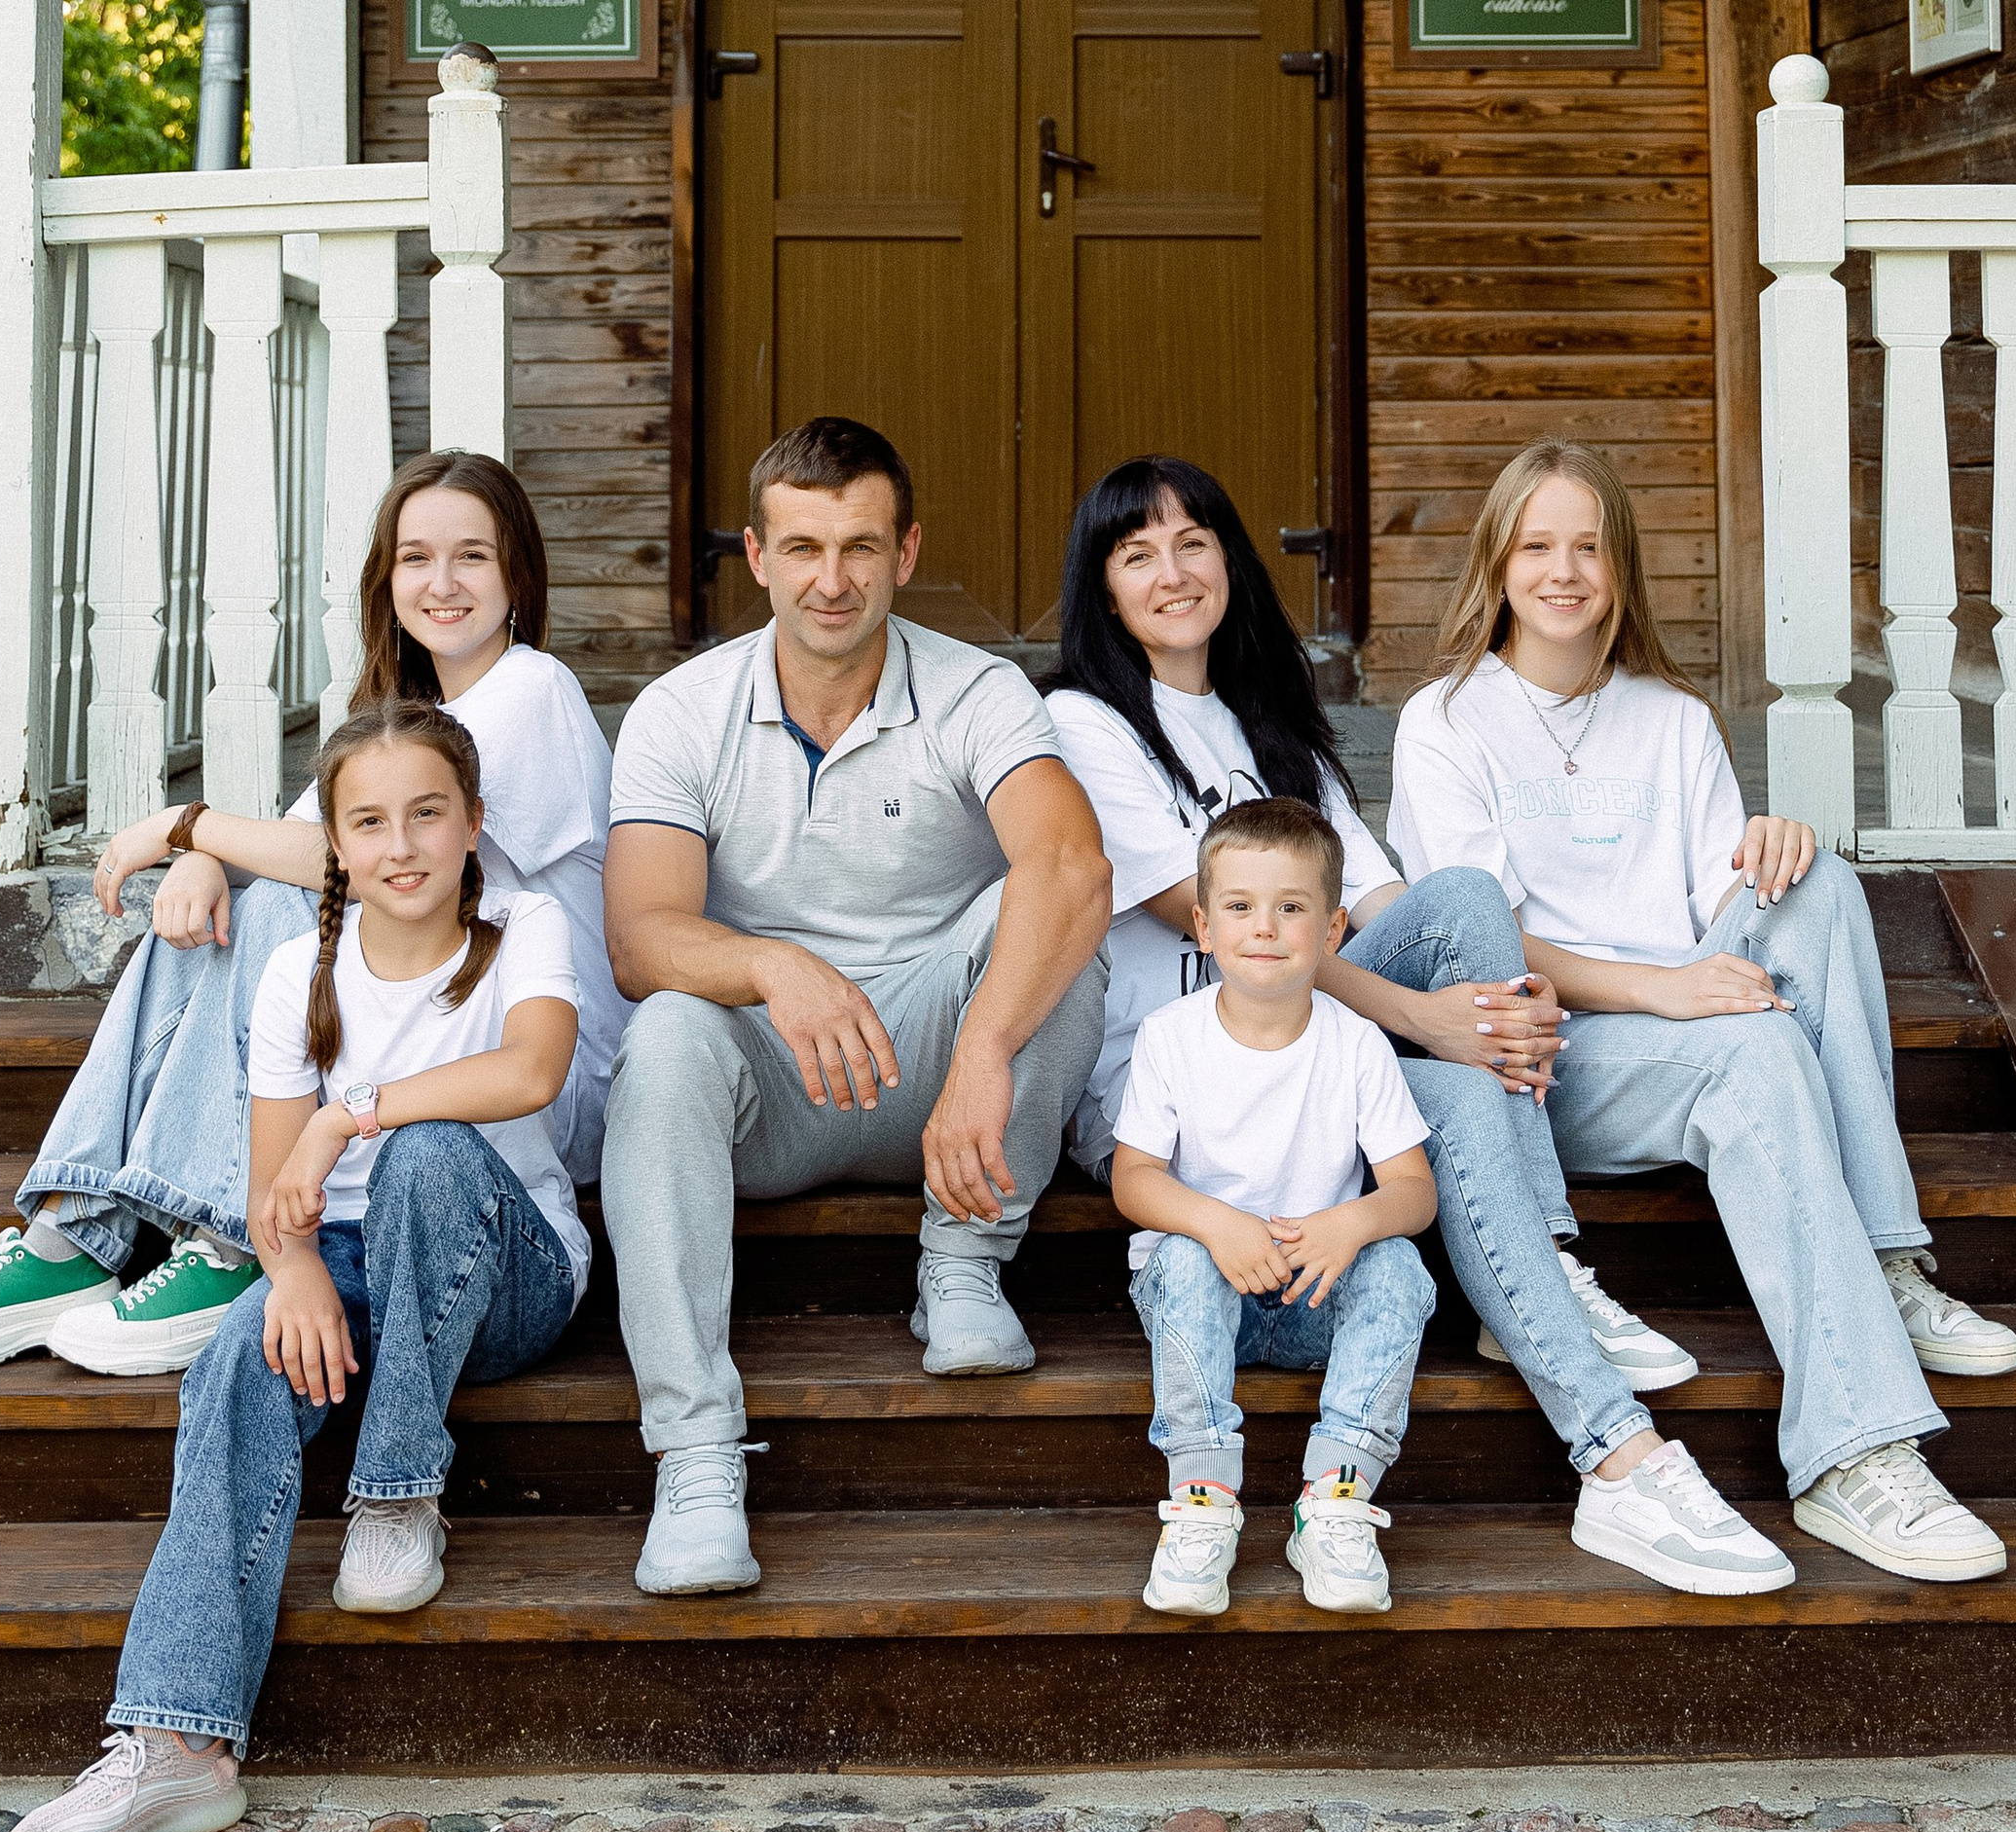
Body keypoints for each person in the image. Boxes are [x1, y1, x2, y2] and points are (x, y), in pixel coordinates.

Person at [1049, 457, 1790, 1597]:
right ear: (1103, 590)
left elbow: (1390, 904)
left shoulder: (1268, 723)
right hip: (1193, 1096)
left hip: (1317, 1063)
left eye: (1193, 540)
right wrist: (1425, 1020)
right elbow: (1247, 941)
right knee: (1449, 1068)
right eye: (1136, 552)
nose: (1173, 570)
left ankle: (1567, 1329)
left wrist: (1502, 998)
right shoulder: (1086, 722)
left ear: (1232, 562)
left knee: (1469, 906)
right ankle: (1612, 1431)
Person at [1389, 437, 2016, 1587]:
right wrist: (1662, 990)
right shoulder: (1446, 719)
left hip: (1681, 1015)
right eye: (1537, 544)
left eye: (1588, 545)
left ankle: (1881, 1261)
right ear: (1497, 562)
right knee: (1751, 1052)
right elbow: (1482, 941)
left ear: (1621, 568)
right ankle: (1852, 1453)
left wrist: (1764, 856)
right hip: (1550, 1058)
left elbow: (1714, 913)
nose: (1564, 570)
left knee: (1816, 879)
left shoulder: (1671, 718)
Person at [0, 698, 586, 1832]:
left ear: (473, 822)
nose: (401, 844)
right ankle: (177, 1742)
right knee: (231, 1363)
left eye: (428, 813)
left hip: (507, 1271)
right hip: (354, 1266)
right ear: (337, 845)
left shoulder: (526, 924)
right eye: (368, 821)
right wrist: (295, 1269)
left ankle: (396, 1493)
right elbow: (274, 1196)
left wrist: (348, 1117)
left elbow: (531, 1069)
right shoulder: (291, 974)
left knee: (421, 1157)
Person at [0, 456, 624, 1378]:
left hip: (522, 1078)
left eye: (472, 555)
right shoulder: (410, 717)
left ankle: (237, 1237)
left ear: (517, 577)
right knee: (209, 911)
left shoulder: (530, 689)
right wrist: (203, 861)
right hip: (403, 1043)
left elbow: (330, 864)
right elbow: (307, 837)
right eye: (415, 556)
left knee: (281, 907)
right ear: (386, 582)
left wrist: (185, 823)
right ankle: (69, 1233)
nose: (442, 582)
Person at [603, 414, 1113, 1598]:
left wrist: (982, 1045)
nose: (832, 579)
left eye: (861, 547)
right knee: (669, 1026)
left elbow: (1072, 864)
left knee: (1055, 922)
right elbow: (640, 938)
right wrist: (776, 966)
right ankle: (694, 1454)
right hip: (772, 1080)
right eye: (804, 547)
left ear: (907, 550)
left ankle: (965, 1261)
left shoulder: (975, 687)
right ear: (757, 552)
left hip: (941, 1073)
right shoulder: (682, 709)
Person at [1114, 800, 1440, 1618]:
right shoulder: (1170, 1035)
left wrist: (1351, 1221)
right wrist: (1216, 1221)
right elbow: (1134, 1179)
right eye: (1240, 906)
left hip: (1309, 1298)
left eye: (1292, 907)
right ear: (1203, 925)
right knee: (1180, 1252)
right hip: (1200, 1295)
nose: (1265, 926)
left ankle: (1333, 1496)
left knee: (1399, 1268)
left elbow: (1413, 1190)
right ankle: (1200, 1497)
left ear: (1332, 931)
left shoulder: (1356, 1040)